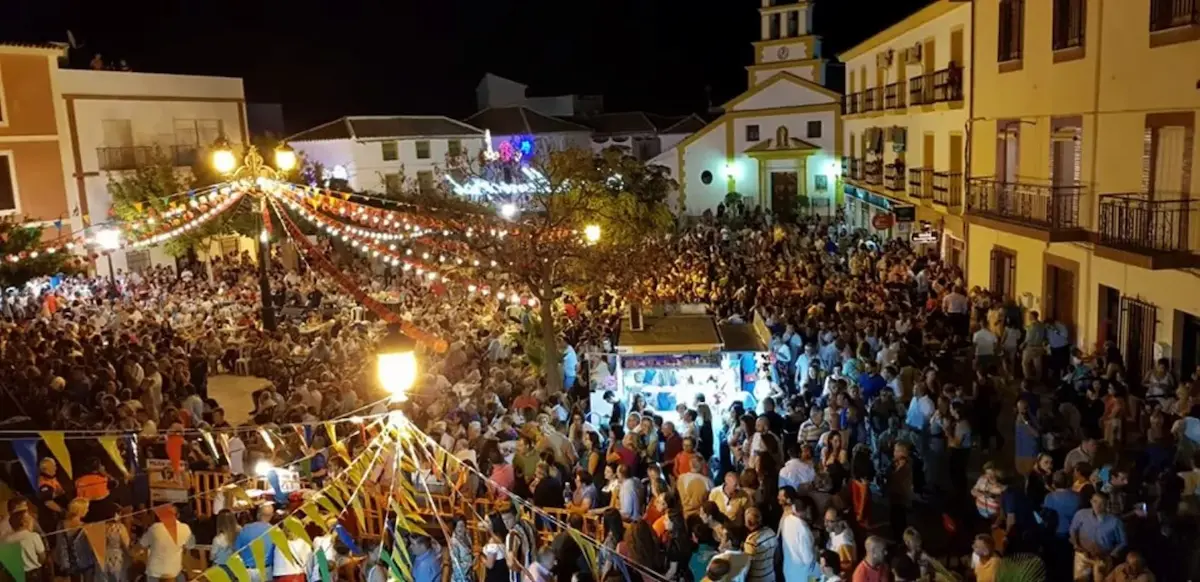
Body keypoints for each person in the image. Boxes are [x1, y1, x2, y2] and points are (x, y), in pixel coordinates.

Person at [1070, 492, 1127, 582]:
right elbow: (1073, 529)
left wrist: (1112, 555)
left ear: (1107, 504)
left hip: (1103, 557)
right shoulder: (1081, 514)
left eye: (1102, 503)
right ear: (1091, 501)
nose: (1098, 505)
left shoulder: (1115, 521)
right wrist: (1075, 544)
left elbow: (1123, 541)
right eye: (1095, 502)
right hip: (1083, 555)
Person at [139, 504, 196, 582]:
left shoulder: (155, 528)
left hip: (154, 571)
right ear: (178, 515)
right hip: (173, 572)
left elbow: (142, 544)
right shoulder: (185, 528)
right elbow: (190, 547)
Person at [778, 496, 816, 581]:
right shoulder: (804, 530)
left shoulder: (786, 520)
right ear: (808, 509)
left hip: (788, 571)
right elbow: (808, 560)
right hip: (803, 575)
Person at [236, 504, 277, 581]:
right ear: (271, 515)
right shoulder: (275, 531)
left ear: (258, 514)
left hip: (248, 571)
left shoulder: (246, 529)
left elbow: (237, 550)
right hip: (266, 571)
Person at [3, 511, 45, 582]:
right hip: (32, 574)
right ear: (24, 523)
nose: (33, 522)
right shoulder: (33, 536)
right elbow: (42, 556)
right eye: (30, 519)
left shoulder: (6, 540)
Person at [742, 508, 777, 582]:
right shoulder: (771, 532)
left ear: (748, 522)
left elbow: (747, 565)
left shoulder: (751, 541)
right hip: (771, 576)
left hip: (757, 578)